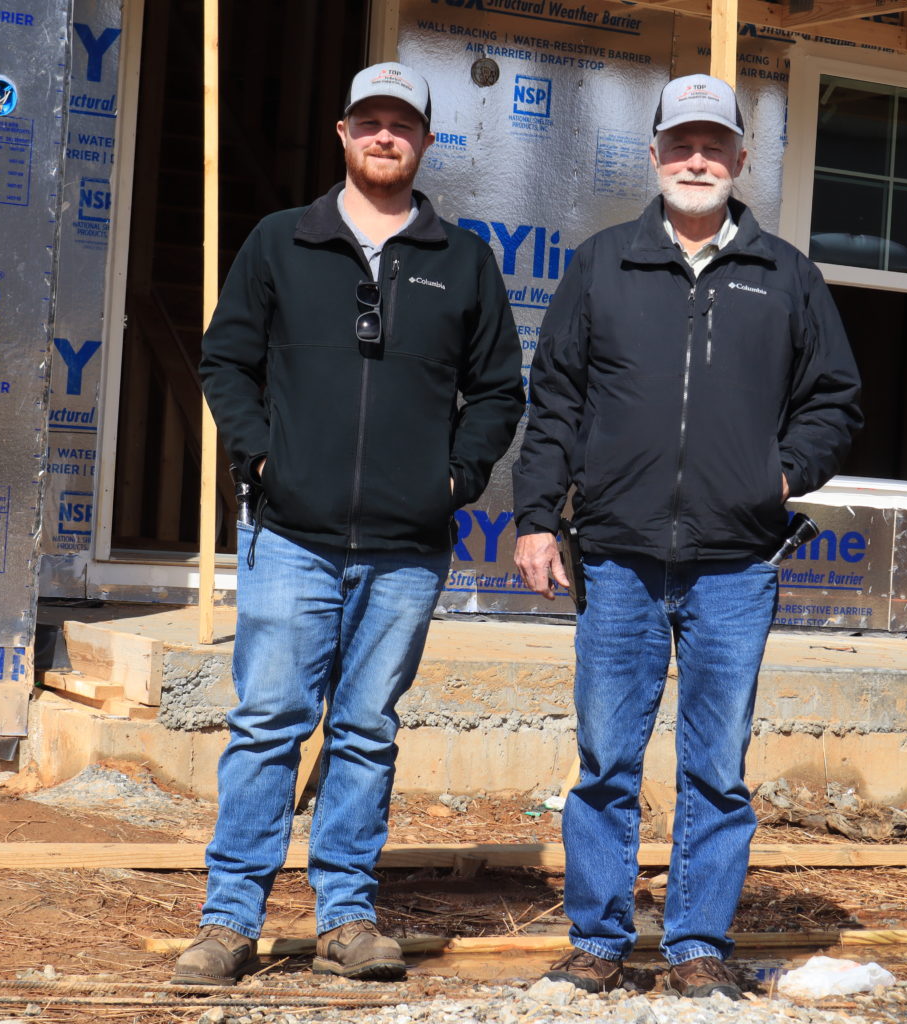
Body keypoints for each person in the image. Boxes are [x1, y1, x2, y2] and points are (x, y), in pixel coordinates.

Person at [511, 74, 861, 998]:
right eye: (680, 145)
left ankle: (697, 943)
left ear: (742, 158)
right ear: (655, 154)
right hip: (617, 556)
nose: (696, 161)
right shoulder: (603, 264)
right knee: (605, 761)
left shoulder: (786, 276)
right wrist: (537, 517)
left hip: (734, 563)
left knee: (716, 768)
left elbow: (834, 401)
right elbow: (555, 401)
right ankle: (599, 940)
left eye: (714, 146)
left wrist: (779, 475)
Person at [175, 62, 525, 986]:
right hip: (291, 533)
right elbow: (226, 362)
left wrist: (454, 479)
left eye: (402, 124)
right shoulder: (281, 241)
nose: (384, 137)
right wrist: (262, 460)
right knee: (268, 725)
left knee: (366, 730)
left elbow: (498, 390)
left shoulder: (463, 260)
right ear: (342, 133)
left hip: (408, 548)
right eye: (369, 121)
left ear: (426, 142)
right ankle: (230, 921)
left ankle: (346, 918)